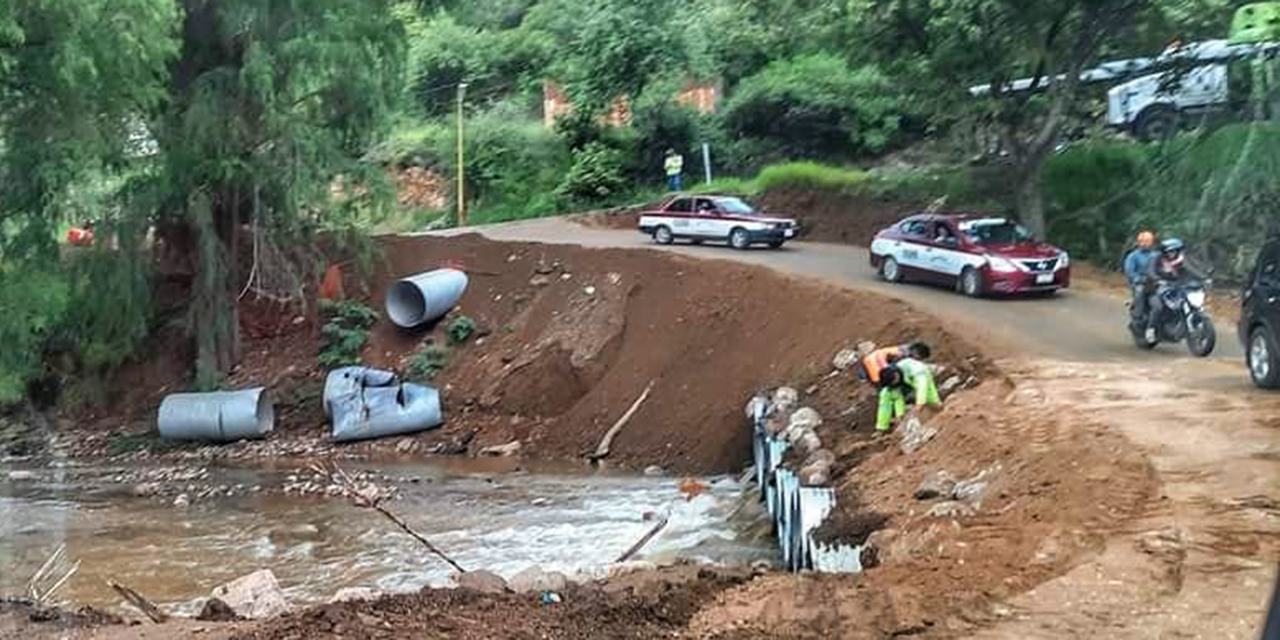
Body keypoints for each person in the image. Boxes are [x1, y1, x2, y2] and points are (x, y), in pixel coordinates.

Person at [1143, 237, 1204, 342]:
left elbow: (1191, 270)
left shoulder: (1180, 260)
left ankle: (1181, 329)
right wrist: (1157, 279)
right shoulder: (1156, 258)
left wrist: (1204, 278)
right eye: (1170, 251)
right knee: (1158, 307)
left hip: (1174, 287)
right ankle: (1150, 330)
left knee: (1185, 302)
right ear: (1164, 252)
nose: (1172, 253)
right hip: (1155, 288)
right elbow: (1150, 271)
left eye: (1175, 251)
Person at [876, 358, 941, 433]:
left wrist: (919, 405)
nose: (893, 385)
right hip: (905, 383)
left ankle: (936, 408)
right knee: (885, 393)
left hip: (922, 378)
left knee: (930, 399)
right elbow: (897, 397)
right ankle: (882, 427)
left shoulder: (915, 369)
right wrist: (899, 414)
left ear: (896, 375)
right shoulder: (891, 377)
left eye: (893, 383)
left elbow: (922, 386)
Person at [1123, 230, 1159, 325]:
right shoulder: (1133, 256)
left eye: (1148, 241)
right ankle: (1138, 317)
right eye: (1142, 241)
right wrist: (1139, 279)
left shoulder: (1157, 254)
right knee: (1140, 292)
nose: (1145, 243)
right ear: (1138, 242)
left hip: (1155, 283)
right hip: (1140, 283)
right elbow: (1129, 272)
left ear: (1152, 242)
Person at [857, 341, 932, 386]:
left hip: (867, 362)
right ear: (917, 354)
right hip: (872, 365)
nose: (919, 361)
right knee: (886, 381)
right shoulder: (903, 354)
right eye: (920, 358)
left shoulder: (904, 349)